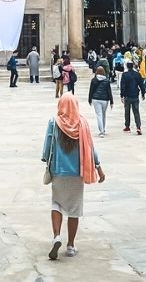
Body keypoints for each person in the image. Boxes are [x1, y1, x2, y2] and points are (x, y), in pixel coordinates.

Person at [41, 95, 105, 260]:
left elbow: (48, 145)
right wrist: (98, 167)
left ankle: (56, 236)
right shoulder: (82, 123)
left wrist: (45, 158)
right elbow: (90, 147)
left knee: (56, 204)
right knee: (74, 210)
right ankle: (70, 245)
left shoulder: (54, 122)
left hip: (58, 172)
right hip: (77, 172)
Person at [120, 61, 146, 135]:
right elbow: (141, 84)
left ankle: (127, 126)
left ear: (127, 66)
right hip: (135, 95)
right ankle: (138, 127)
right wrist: (143, 93)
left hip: (127, 96)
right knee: (136, 112)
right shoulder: (137, 74)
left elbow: (123, 86)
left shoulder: (124, 75)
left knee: (127, 111)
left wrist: (122, 95)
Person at [87, 66, 113, 137]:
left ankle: (101, 131)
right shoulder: (107, 80)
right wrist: (111, 101)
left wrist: (89, 99)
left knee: (99, 115)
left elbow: (91, 90)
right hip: (105, 100)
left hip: (96, 99)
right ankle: (103, 129)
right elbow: (109, 91)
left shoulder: (94, 80)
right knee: (103, 115)